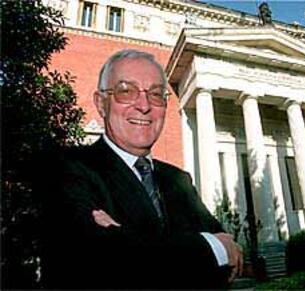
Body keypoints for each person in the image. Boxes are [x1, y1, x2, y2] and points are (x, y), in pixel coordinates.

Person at [39, 49, 243, 289]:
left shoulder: (178, 179)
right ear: (101, 103)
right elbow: (94, 260)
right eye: (126, 91)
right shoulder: (65, 166)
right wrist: (213, 247)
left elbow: (228, 265)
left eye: (156, 94)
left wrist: (127, 241)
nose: (144, 105)